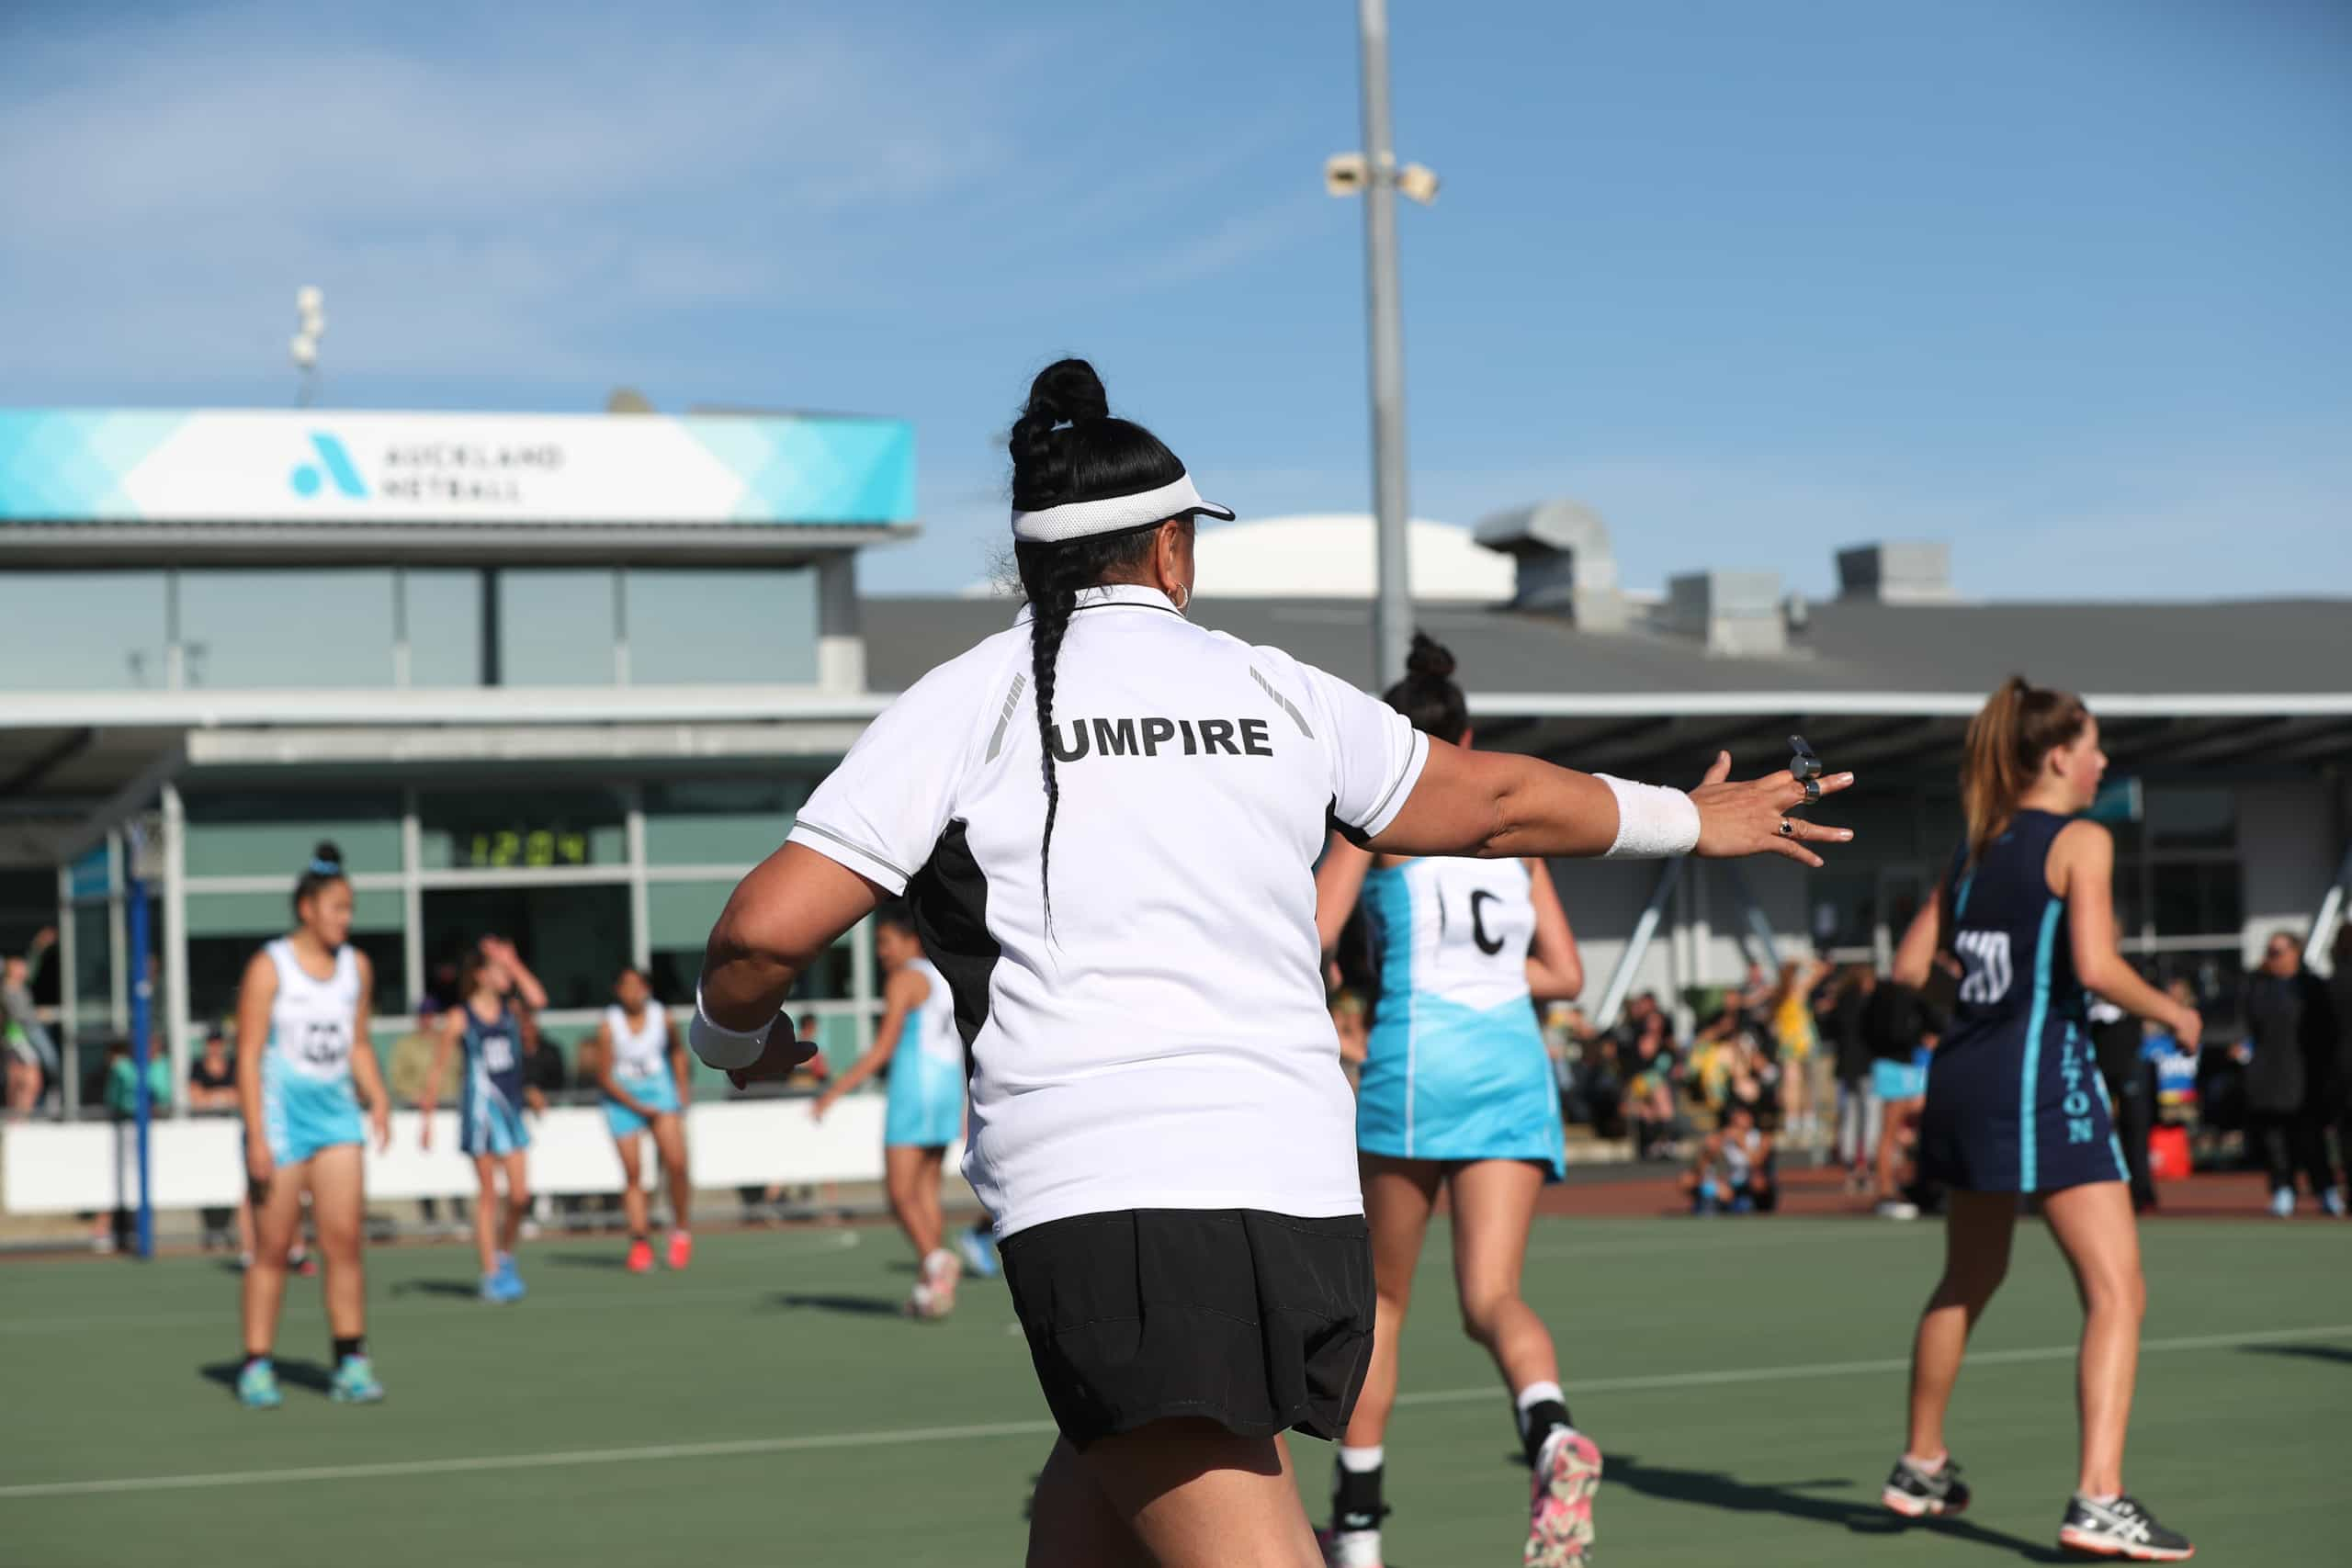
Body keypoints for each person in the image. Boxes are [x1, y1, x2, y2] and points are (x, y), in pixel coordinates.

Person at [684, 359, 1850, 1568]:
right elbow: (1493, 801)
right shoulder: (1279, 689)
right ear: (1174, 550)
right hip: (1298, 1198)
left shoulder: (966, 699)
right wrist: (1687, 817)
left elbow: (761, 929)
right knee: (1088, 1512)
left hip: (1110, 1204)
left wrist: (734, 1038)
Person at [1881, 677, 2202, 1562]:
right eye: (2094, 745)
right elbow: (2097, 967)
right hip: (2039, 1077)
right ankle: (2099, 1495)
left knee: (1968, 1277)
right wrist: (2172, 1013)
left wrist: (1982, 998)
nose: (2102, 762)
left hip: (1965, 1075)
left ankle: (1921, 1461)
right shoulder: (2078, 840)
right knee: (2117, 1289)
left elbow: (1912, 967)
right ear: (2059, 754)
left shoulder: (1974, 848)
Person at [1309, 632, 1595, 1568]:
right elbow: (1564, 972)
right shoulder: (1517, 838)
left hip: (1417, 1065)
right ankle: (1551, 1433)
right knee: (1494, 1296)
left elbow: (1310, 932)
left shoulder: (1379, 824)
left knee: (1382, 1304)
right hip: (1512, 1068)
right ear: (1469, 735)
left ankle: (1356, 1536)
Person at [234, 842, 392, 1409]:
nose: (345, 919)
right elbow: (249, 1055)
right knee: (273, 1247)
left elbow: (359, 1044)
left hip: (335, 1119)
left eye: (350, 909)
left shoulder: (357, 968)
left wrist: (377, 1097)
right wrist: (256, 1134)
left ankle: (351, 1359)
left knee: (344, 1242)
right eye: (337, 908)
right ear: (307, 908)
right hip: (280, 1121)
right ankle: (257, 1364)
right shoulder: (268, 966)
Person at [811, 904, 968, 1317]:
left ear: (909, 940)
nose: (882, 952)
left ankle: (935, 1259)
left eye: (886, 943)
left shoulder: (904, 980)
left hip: (913, 1089)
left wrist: (835, 1091)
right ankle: (931, 1291)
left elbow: (883, 1048)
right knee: (927, 1191)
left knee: (899, 1194)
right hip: (947, 1089)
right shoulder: (944, 975)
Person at [421, 936, 547, 1303]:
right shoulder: (461, 1017)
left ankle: (505, 1255)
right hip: (479, 1112)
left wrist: (513, 962)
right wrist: (427, 1118)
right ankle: (490, 1271)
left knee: (521, 1195)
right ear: (480, 976)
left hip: (512, 1108)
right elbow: (439, 1067)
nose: (506, 976)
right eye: (499, 970)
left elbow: (539, 999)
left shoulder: (512, 1010)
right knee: (489, 1193)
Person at [590, 965, 695, 1273]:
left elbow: (677, 1052)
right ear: (617, 991)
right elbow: (604, 1076)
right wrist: (635, 1105)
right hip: (622, 1099)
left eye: (638, 986)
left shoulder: (662, 1017)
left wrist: (681, 1089)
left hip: (659, 1094)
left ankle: (681, 1229)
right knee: (634, 1173)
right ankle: (640, 1242)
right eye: (626, 986)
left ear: (647, 989)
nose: (632, 992)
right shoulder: (609, 1026)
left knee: (676, 1164)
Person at [2236, 930, 2342, 1217]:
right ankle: (2283, 1189)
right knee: (2275, 1141)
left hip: (2306, 1076)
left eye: (2278, 952)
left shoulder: (2313, 987)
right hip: (2268, 1075)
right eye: (2269, 952)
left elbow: (2328, 1033)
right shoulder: (2257, 987)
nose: (2272, 958)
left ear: (2295, 953)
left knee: (2311, 1138)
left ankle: (2325, 1190)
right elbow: (2246, 1028)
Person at [1867, 976, 1937, 1220]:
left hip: (1892, 1065)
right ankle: (1889, 1190)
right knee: (1896, 1132)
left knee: (1899, 1133)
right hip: (1903, 1067)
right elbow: (1934, 1024)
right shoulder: (1910, 996)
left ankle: (1898, 1187)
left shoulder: (1880, 995)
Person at [1826, 965, 1881, 1190]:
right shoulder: (1869, 1004)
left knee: (1849, 1112)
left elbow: (1830, 1031)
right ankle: (1865, 1159)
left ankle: (1850, 1158)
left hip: (1846, 1066)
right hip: (1866, 1065)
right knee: (1869, 1112)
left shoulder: (1839, 1003)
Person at [1683, 1100, 1776, 1214]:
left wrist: (1742, 1143)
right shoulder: (1722, 1137)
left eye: (1742, 1115)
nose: (1737, 1119)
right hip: (1725, 1183)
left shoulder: (1761, 1138)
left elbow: (1757, 1163)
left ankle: (1752, 1206)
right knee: (1688, 1180)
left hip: (1746, 1184)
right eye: (1735, 1115)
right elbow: (1704, 1168)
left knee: (1758, 1182)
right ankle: (1706, 1204)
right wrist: (1711, 1151)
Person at [4, 926, 58, 1119]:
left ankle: (19, 1115)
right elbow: (20, 1016)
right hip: (19, 1037)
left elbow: (32, 967)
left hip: (18, 1037)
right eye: (19, 965)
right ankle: (20, 1116)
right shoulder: (9, 990)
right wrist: (38, 1016)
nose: (24, 968)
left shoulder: (18, 987)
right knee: (30, 1078)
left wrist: (39, 946)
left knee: (21, 1076)